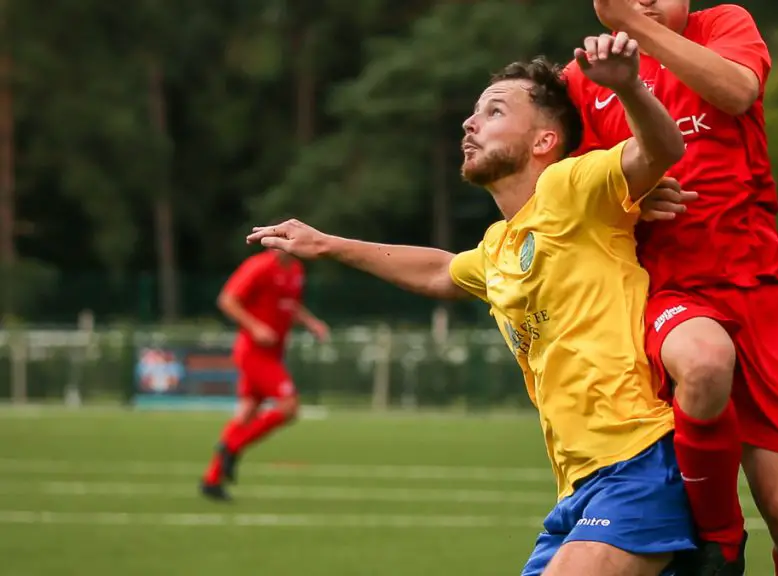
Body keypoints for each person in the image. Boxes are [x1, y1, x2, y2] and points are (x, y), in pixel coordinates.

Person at [248, 34, 699, 575]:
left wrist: (626, 86)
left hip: (638, 464)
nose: (470, 123)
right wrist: (326, 244)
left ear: (544, 140)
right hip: (576, 488)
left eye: (494, 110)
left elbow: (661, 150)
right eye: (473, 112)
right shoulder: (499, 247)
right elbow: (440, 270)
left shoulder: (571, 186)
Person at [564, 1, 778, 574]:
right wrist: (634, 202)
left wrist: (631, 25)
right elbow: (574, 197)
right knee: (706, 363)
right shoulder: (582, 78)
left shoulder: (724, 26)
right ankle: (721, 541)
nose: (646, 1)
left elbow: (738, 91)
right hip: (666, 291)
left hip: (760, 289)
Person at [200, 249, 329, 501]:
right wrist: (255, 327)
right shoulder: (258, 266)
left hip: (273, 353)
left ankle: (212, 480)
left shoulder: (295, 270)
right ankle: (232, 447)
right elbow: (227, 300)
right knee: (289, 407)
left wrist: (312, 323)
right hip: (253, 352)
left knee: (247, 411)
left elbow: (290, 305)